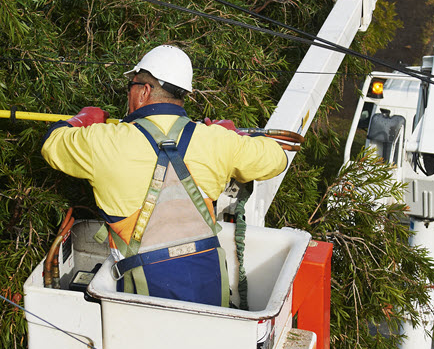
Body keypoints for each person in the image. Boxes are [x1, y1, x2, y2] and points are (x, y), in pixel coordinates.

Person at [41, 44, 288, 307]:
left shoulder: (106, 142)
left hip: (145, 292)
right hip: (209, 284)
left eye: (130, 87)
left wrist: (81, 119)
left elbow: (52, 145)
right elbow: (277, 159)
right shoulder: (215, 140)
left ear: (144, 91)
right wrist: (235, 135)